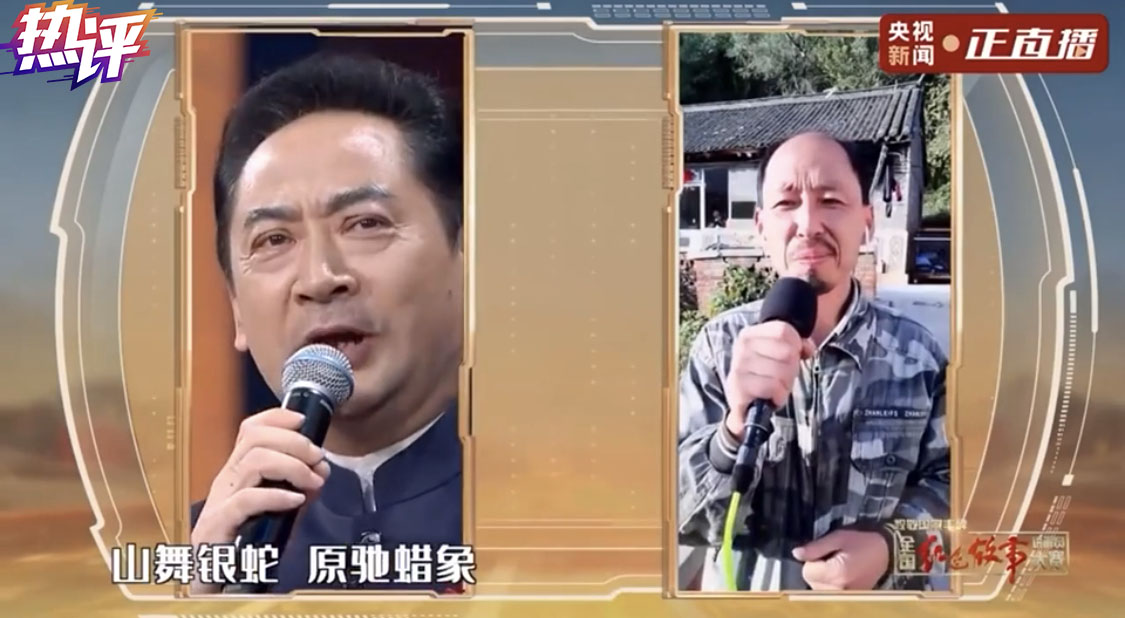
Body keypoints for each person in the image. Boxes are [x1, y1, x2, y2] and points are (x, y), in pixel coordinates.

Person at [189, 52, 464, 594]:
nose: (319, 278)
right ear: (236, 308)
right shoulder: (189, 559)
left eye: (365, 224)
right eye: (273, 239)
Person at [678, 132, 950, 592]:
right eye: (786, 204)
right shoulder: (719, 347)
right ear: (761, 226)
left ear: (866, 221)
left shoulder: (918, 356)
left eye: (831, 201)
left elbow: (958, 492)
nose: (807, 223)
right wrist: (733, 430)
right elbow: (675, 516)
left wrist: (891, 549)